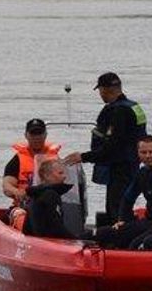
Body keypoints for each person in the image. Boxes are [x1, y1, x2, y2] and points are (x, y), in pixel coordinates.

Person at [63, 72, 147, 224]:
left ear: (106, 89)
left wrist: (84, 157)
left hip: (120, 167)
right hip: (132, 164)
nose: (100, 95)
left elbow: (113, 146)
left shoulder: (118, 111)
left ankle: (119, 241)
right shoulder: (135, 107)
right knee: (123, 204)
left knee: (117, 209)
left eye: (100, 90)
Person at [93, 134, 152, 248]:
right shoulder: (142, 173)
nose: (148, 156)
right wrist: (123, 219)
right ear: (138, 153)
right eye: (144, 152)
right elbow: (128, 198)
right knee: (106, 233)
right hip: (149, 221)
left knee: (134, 245)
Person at [3, 118, 61, 207]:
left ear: (45, 135)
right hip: (24, 205)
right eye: (33, 134)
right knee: (20, 216)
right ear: (26, 135)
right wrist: (17, 192)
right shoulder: (17, 160)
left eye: (40, 133)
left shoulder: (55, 159)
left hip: (49, 205)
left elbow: (65, 181)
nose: (36, 137)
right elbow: (7, 185)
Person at [22, 159, 78, 239]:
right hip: (48, 241)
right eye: (60, 173)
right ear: (46, 176)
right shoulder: (50, 195)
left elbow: (27, 228)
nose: (64, 176)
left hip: (36, 240)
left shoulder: (35, 194)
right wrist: (77, 240)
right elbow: (56, 227)